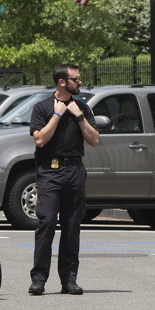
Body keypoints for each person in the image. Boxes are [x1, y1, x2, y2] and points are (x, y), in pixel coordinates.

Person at [28, 64, 100, 296]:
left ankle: (69, 280)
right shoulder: (41, 108)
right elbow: (40, 140)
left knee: (71, 226)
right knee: (47, 223)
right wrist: (58, 114)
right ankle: (38, 279)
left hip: (74, 171)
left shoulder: (82, 107)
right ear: (62, 82)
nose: (80, 83)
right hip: (50, 171)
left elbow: (94, 140)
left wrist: (79, 118)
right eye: (76, 80)